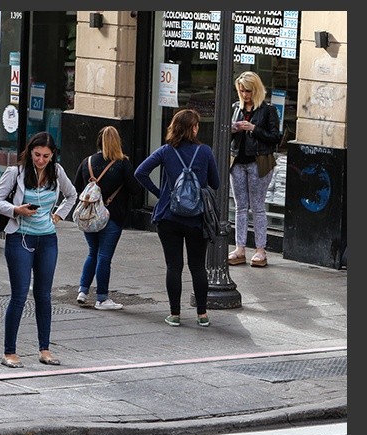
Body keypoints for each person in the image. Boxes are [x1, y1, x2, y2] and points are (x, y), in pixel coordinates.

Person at [0, 132, 77, 368]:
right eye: (37, 155)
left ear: (52, 156)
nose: (41, 160)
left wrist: (58, 215)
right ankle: (9, 351)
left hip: (47, 239)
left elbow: (72, 195)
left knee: (44, 295)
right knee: (19, 295)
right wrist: (17, 210)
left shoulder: (56, 172)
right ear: (30, 152)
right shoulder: (15, 173)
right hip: (19, 238)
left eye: (46, 156)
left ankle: (45, 349)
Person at [134, 109, 220, 327]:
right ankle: (202, 315)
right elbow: (216, 183)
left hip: (168, 217)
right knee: (198, 266)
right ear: (193, 128)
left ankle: (175, 314)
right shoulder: (205, 151)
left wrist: (160, 193)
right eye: (197, 124)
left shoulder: (166, 151)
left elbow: (140, 172)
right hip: (197, 218)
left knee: (174, 266)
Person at [73, 126, 141, 311]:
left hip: (89, 216)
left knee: (92, 252)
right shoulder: (122, 164)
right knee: (104, 256)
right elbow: (135, 189)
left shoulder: (87, 162)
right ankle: (102, 298)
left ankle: (82, 290)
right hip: (113, 216)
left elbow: (77, 187)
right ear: (118, 142)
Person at [228, 71, 282, 268]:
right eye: (241, 90)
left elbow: (275, 137)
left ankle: (261, 250)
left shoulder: (267, 110)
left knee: (257, 207)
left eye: (248, 91)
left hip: (259, 162)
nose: (244, 95)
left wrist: (253, 128)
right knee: (240, 207)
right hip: (237, 162)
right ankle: (239, 248)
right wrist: (233, 129)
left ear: (256, 90)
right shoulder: (236, 108)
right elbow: (225, 135)